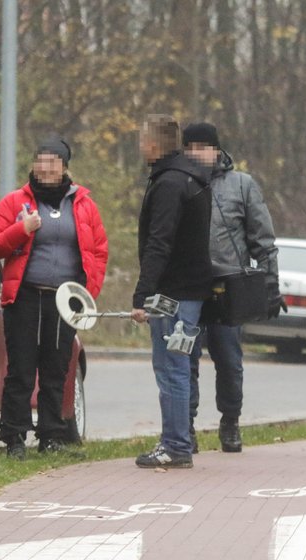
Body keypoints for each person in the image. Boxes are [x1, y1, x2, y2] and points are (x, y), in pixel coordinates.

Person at [0, 136, 108, 460]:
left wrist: (86, 295)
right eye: (40, 161)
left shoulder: (83, 204)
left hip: (65, 301)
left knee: (56, 368)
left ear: (65, 167)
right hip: (25, 296)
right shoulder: (14, 202)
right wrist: (21, 229)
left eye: (52, 162)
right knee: (21, 368)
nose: (45, 168)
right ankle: (14, 438)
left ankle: (52, 435)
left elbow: (98, 251)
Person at [183, 122, 285, 454]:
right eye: (190, 147)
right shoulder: (177, 184)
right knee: (186, 358)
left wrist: (271, 285)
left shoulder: (242, 185)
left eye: (203, 147)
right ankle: (186, 425)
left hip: (230, 288)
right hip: (188, 287)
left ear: (217, 150)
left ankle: (230, 421)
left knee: (229, 360)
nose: (197, 153)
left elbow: (263, 241)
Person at [131, 114, 213, 469]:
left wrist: (142, 293)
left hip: (172, 296)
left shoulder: (168, 183)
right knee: (179, 366)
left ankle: (176, 444)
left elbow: (159, 243)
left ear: (152, 144)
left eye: (141, 139)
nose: (138, 146)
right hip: (190, 293)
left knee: (171, 367)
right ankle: (177, 439)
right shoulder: (192, 177)